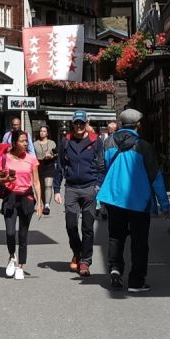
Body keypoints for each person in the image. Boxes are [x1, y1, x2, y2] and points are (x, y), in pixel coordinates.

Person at [97, 107, 168, 293]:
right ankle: (136, 280)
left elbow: (102, 167)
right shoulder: (144, 146)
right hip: (138, 199)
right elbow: (155, 175)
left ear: (121, 124)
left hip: (114, 198)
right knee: (139, 241)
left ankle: (114, 269)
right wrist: (164, 204)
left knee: (115, 236)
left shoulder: (109, 142)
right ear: (138, 125)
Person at [54, 110, 105, 277]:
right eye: (76, 123)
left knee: (88, 227)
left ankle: (85, 261)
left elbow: (101, 166)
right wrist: (56, 189)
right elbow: (60, 166)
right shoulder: (66, 141)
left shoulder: (95, 141)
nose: (79, 126)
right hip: (72, 188)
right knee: (70, 225)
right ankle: (77, 251)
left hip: (90, 188)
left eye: (81, 123)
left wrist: (98, 185)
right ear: (72, 123)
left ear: (86, 123)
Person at [0, 129, 42, 279]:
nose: (25, 144)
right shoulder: (5, 158)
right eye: (22, 141)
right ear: (14, 143)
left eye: (26, 141)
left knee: (23, 234)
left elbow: (36, 182)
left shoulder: (31, 159)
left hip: (26, 197)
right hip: (10, 197)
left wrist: (39, 202)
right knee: (10, 232)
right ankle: (12, 257)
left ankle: (21, 265)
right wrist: (5, 180)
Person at [32, 123, 58, 215]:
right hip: (39, 165)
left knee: (48, 185)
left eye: (44, 131)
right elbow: (32, 156)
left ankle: (47, 205)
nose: (42, 133)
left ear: (47, 133)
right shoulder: (35, 144)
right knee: (42, 187)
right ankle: (43, 202)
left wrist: (51, 156)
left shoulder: (52, 143)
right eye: (41, 131)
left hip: (49, 165)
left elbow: (56, 154)